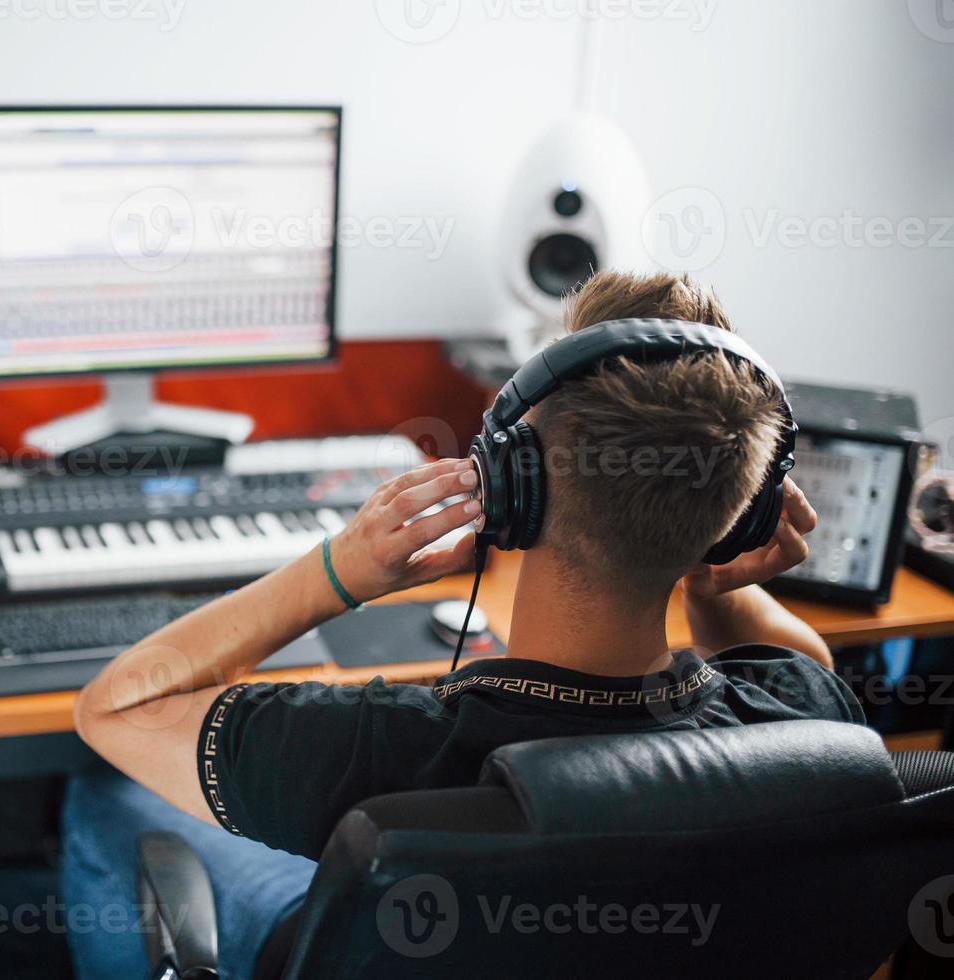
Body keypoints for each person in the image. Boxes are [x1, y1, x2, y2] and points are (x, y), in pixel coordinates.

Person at [63, 270, 861, 980]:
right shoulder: (801, 719)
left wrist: (336, 571)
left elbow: (112, 709)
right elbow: (806, 667)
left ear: (511, 486)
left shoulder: (383, 753)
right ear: (740, 522)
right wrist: (712, 586)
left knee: (104, 793)